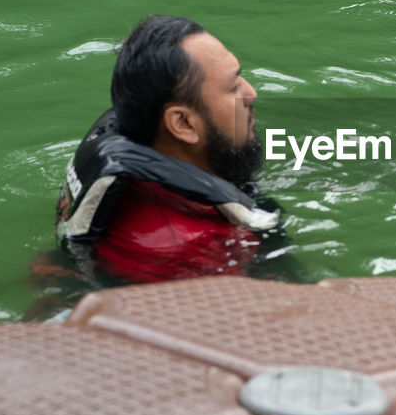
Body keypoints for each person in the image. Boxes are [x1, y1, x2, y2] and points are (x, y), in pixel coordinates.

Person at [51, 15, 283, 286]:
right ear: (182, 124)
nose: (251, 93)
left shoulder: (130, 155)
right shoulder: (194, 250)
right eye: (233, 87)